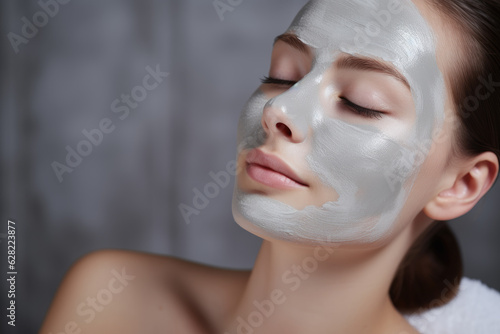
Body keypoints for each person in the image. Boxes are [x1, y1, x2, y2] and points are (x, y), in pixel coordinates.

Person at [40, 0, 500, 333]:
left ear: (460, 184)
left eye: (361, 103)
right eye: (282, 75)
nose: (279, 110)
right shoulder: (111, 298)